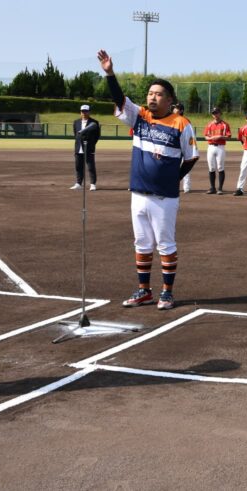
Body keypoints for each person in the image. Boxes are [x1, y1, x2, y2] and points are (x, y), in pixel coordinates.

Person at [97, 50, 198, 311]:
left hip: (164, 197)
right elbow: (119, 99)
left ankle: (167, 292)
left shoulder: (181, 124)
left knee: (165, 244)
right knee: (141, 243)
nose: (153, 97)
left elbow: (191, 157)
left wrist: (174, 178)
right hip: (138, 194)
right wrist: (110, 74)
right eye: (151, 93)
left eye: (159, 94)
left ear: (170, 99)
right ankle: (144, 291)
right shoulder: (139, 116)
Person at [71, 104, 101, 191]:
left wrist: (91, 144)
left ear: (89, 112)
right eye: (82, 111)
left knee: (91, 166)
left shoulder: (94, 122)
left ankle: (92, 184)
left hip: (89, 148)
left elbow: (97, 136)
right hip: (78, 148)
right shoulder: (76, 122)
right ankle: (78, 183)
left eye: (86, 111)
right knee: (78, 166)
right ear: (80, 112)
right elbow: (75, 134)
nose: (84, 113)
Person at [203, 106, 232, 194]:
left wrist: (220, 137)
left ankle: (220, 188)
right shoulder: (209, 124)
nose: (215, 115)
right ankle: (212, 188)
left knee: (220, 167)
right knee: (211, 167)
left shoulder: (225, 124)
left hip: (220, 147)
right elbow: (205, 136)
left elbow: (229, 136)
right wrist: (210, 138)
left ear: (220, 113)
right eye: (214, 113)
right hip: (211, 147)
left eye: (217, 113)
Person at [172, 102, 194, 193]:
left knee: (185, 167)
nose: (174, 109)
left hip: (183, 147)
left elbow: (189, 136)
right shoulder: (171, 120)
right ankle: (173, 186)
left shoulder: (186, 121)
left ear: (181, 110)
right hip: (174, 147)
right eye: (174, 108)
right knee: (173, 168)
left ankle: (186, 187)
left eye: (176, 108)